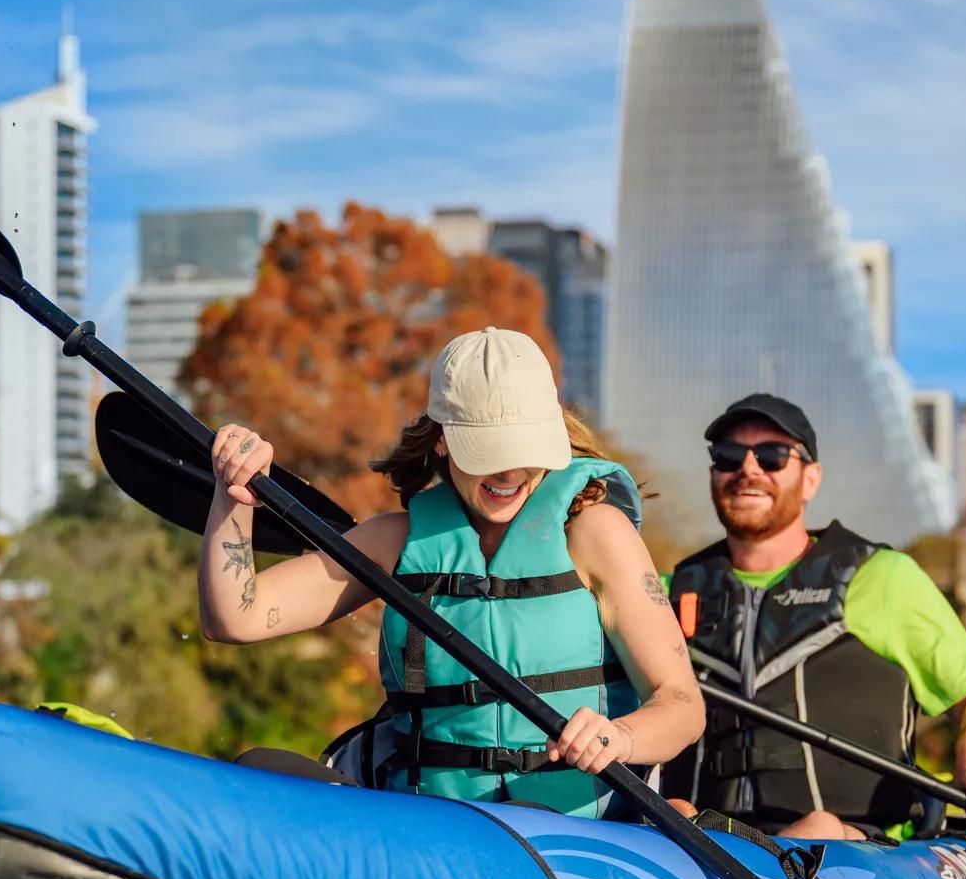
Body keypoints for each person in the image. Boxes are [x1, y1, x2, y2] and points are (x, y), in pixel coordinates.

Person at [199, 327, 704, 816]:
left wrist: (621, 737)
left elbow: (681, 704)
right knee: (259, 770)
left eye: (525, 450)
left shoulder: (596, 533)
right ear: (441, 441)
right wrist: (234, 499)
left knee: (523, 822)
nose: (510, 472)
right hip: (433, 826)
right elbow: (236, 619)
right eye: (490, 453)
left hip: (566, 836)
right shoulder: (394, 542)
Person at [660, 393, 966, 842]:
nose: (749, 469)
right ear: (713, 473)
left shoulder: (883, 579)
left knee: (817, 827)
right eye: (728, 456)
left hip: (851, 844)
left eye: (774, 456)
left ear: (811, 478)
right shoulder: (664, 592)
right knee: (673, 810)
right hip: (699, 843)